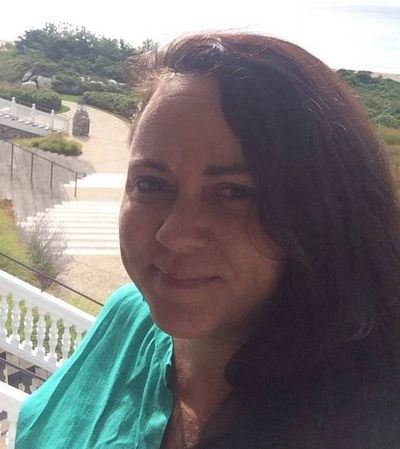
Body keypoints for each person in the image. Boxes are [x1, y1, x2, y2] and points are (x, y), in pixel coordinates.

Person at [16, 32, 400, 449]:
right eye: (150, 183)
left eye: (234, 192)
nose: (175, 235)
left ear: (325, 210)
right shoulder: (126, 319)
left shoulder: (365, 421)